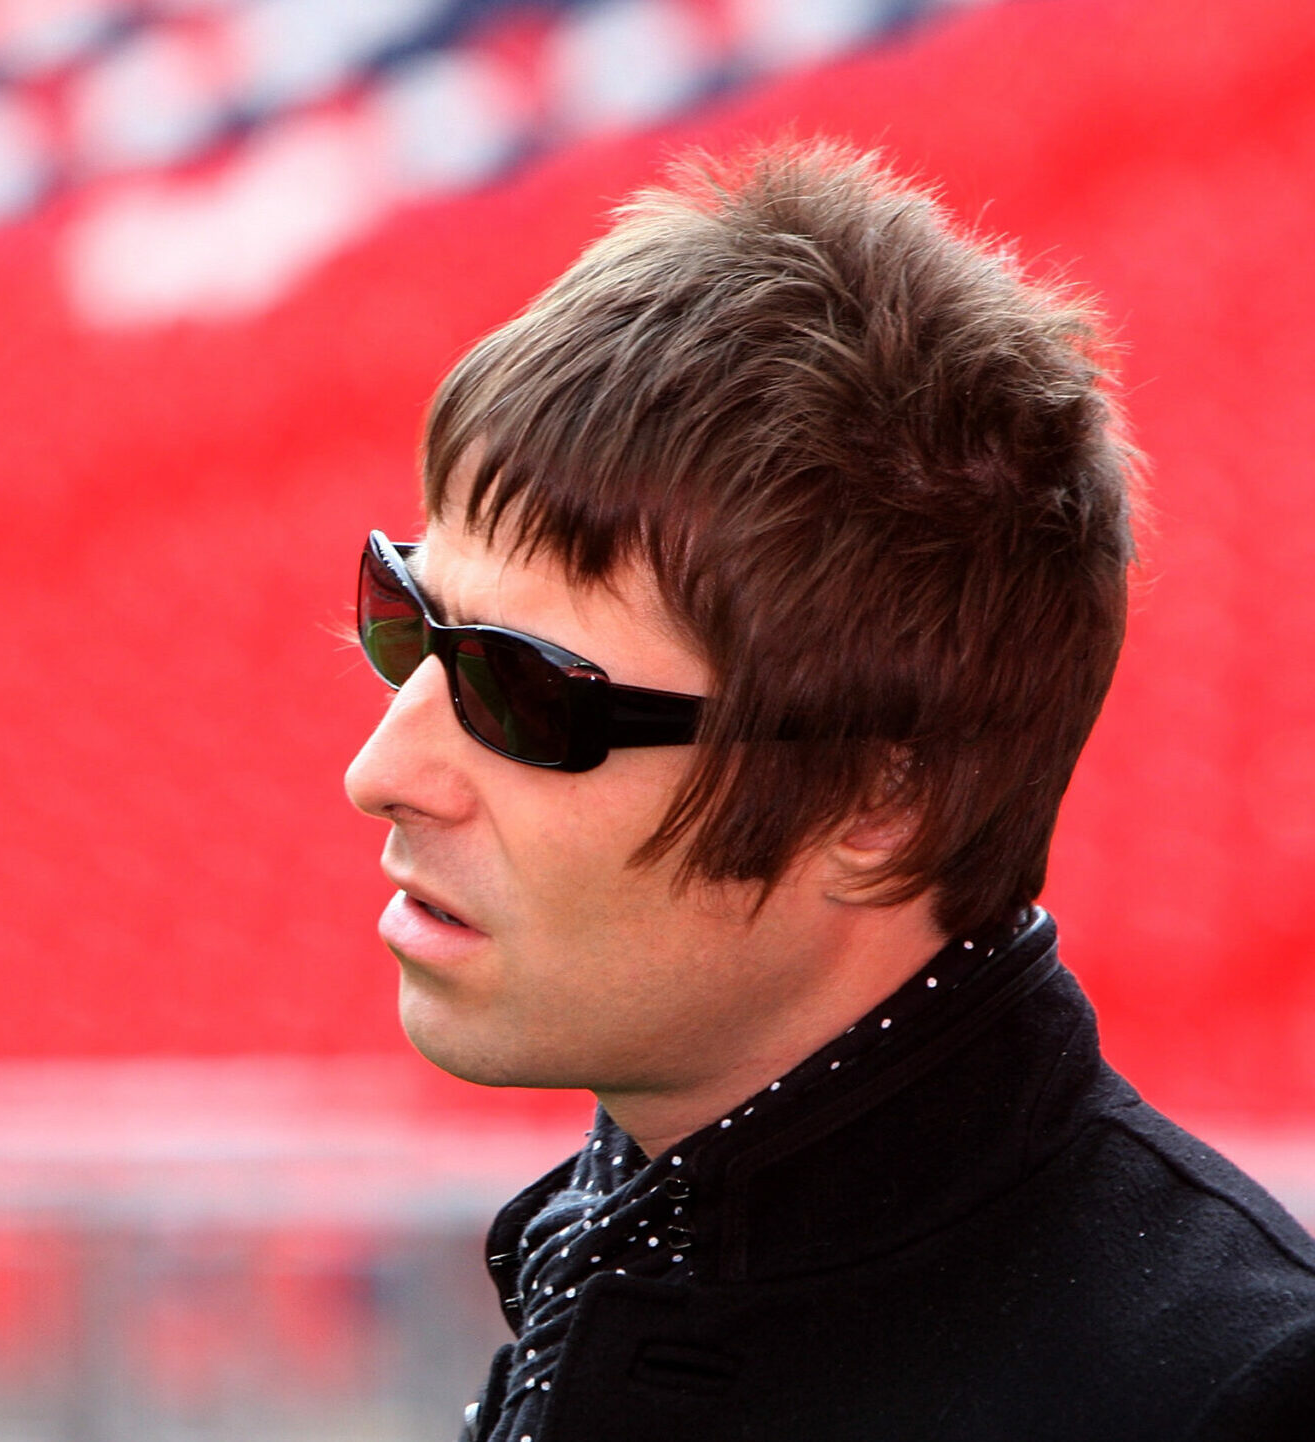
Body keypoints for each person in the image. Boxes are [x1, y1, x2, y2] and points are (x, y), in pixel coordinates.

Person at [343, 142, 1315, 1441]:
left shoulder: (1225, 1396)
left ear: (877, 802)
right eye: (404, 618)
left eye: (527, 693)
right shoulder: (634, 1237)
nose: (380, 772)